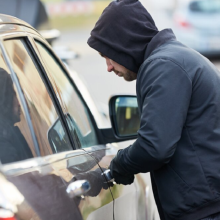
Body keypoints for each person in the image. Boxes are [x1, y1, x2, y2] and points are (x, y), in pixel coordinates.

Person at [87, 0, 220, 219]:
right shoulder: (173, 59)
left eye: (107, 55)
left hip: (206, 210)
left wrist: (117, 166)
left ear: (123, 43)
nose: (109, 67)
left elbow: (154, 147)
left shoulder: (164, 66)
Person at [0, 68, 33, 164]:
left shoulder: (8, 134)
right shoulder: (4, 144)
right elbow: (25, 177)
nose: (19, 103)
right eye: (13, 94)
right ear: (4, 100)